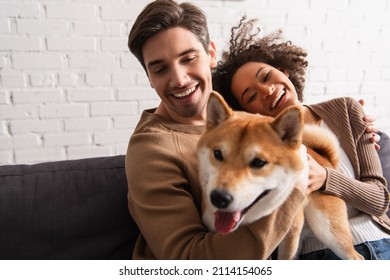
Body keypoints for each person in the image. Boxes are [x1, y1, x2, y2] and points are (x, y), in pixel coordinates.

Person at [125, 0, 310, 259]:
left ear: (211, 54)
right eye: (160, 68)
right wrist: (294, 188)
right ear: (149, 77)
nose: (179, 79)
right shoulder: (151, 151)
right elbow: (190, 261)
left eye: (188, 59)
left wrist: (349, 121)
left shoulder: (235, 117)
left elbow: (291, 128)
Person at [212, 16, 390, 260]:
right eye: (251, 96)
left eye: (265, 77)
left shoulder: (347, 109)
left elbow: (380, 199)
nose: (266, 90)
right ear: (249, 113)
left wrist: (325, 177)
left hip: (377, 243)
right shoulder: (263, 153)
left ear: (284, 71)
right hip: (311, 256)